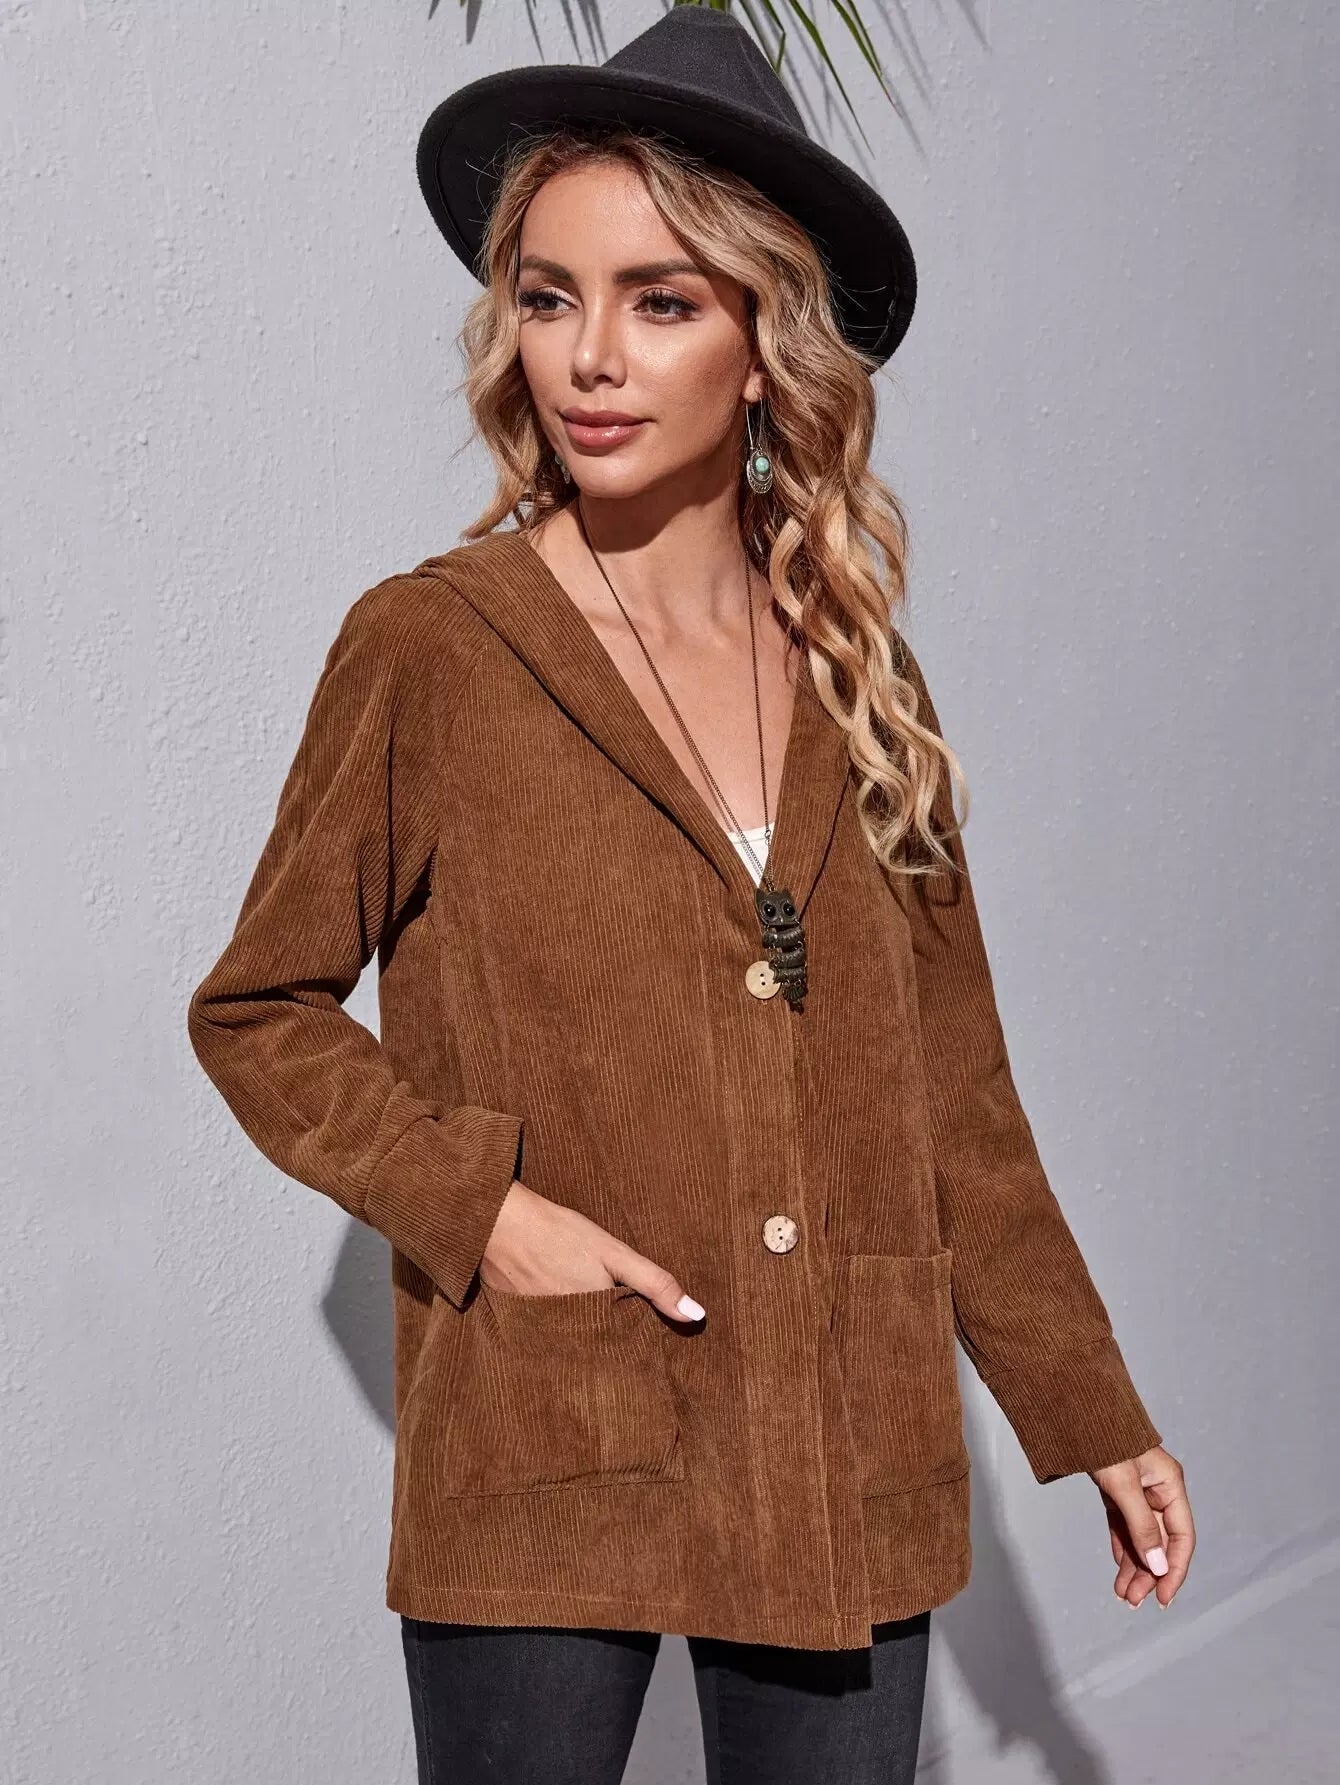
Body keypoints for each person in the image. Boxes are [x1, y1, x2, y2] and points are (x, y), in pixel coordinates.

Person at [187, 9, 1195, 1781]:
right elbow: (257, 1008)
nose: (589, 356)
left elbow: (960, 1098)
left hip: (839, 1430)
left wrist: (1088, 1408)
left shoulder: (862, 682)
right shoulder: (433, 648)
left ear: (764, 342)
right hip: (548, 1429)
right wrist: (485, 1210)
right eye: (549, 296)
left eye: (659, 301)